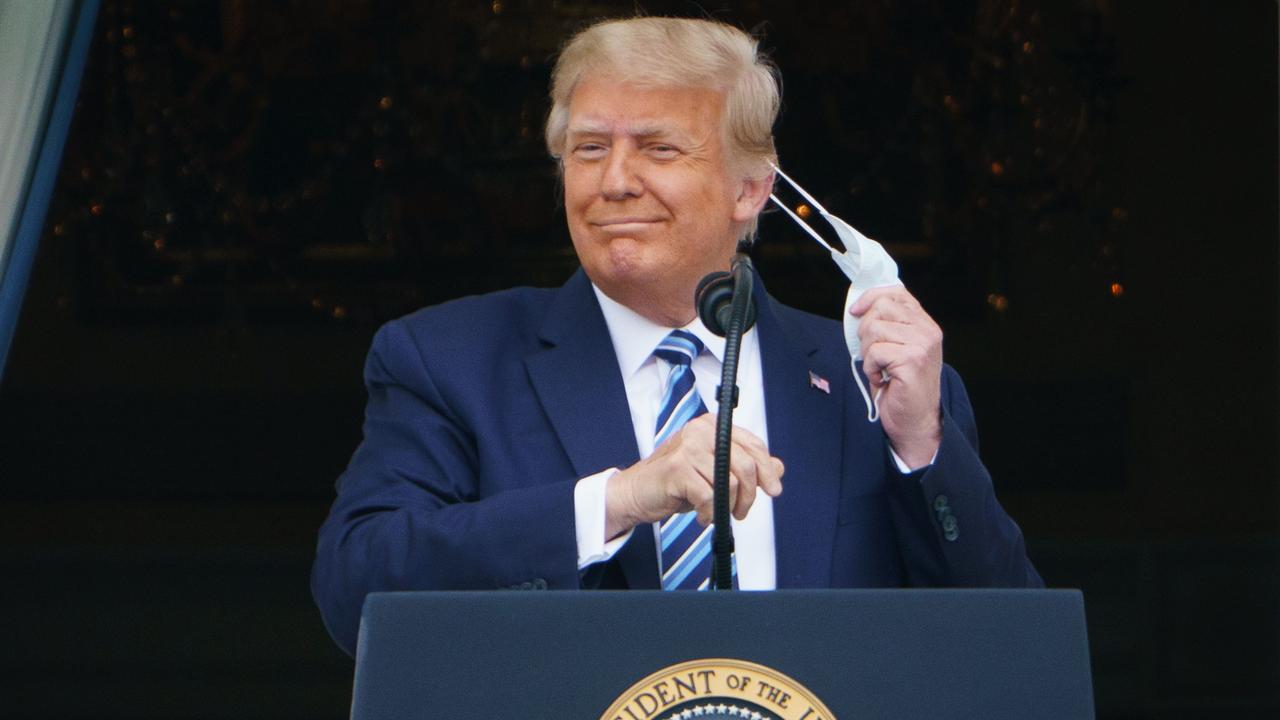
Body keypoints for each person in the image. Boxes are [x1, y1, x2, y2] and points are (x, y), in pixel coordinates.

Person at [311, 16, 1041, 656]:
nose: (616, 181)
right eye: (591, 148)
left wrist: (922, 449)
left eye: (659, 149)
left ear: (750, 188)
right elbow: (359, 590)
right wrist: (621, 499)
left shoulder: (872, 382)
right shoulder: (449, 360)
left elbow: (1011, 649)